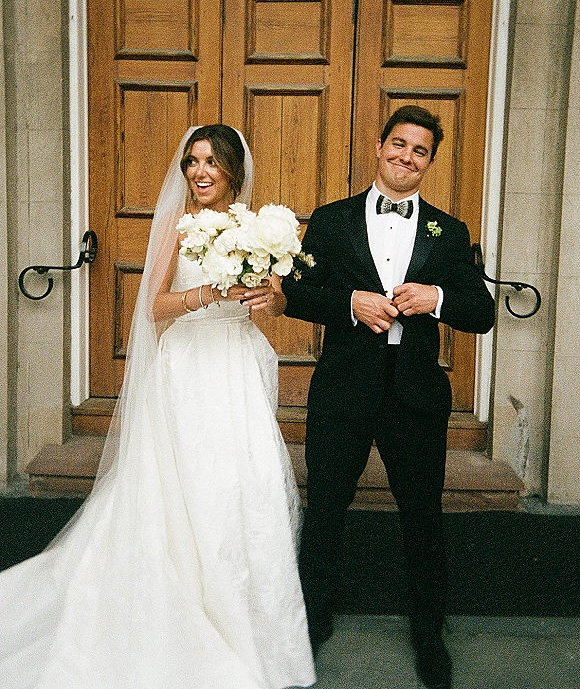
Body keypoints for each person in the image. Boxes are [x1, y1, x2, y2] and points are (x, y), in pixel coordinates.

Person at [0, 124, 316, 689]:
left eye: (212, 163)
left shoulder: (254, 228)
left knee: (247, 488)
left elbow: (268, 302)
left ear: (232, 173)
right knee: (191, 488)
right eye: (193, 162)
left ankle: (252, 633)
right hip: (189, 369)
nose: (200, 173)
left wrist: (271, 296)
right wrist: (205, 294)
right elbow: (153, 306)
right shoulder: (177, 226)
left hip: (236, 368)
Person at [281, 105, 495, 689]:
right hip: (344, 387)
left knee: (422, 514)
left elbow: (482, 312)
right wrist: (349, 302)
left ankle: (429, 632)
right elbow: (294, 294)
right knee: (325, 504)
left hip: (415, 393)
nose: (406, 157)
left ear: (429, 162)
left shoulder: (447, 232)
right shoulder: (332, 219)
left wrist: (439, 298)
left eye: (420, 150)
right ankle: (312, 619)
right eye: (398, 145)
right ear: (380, 148)